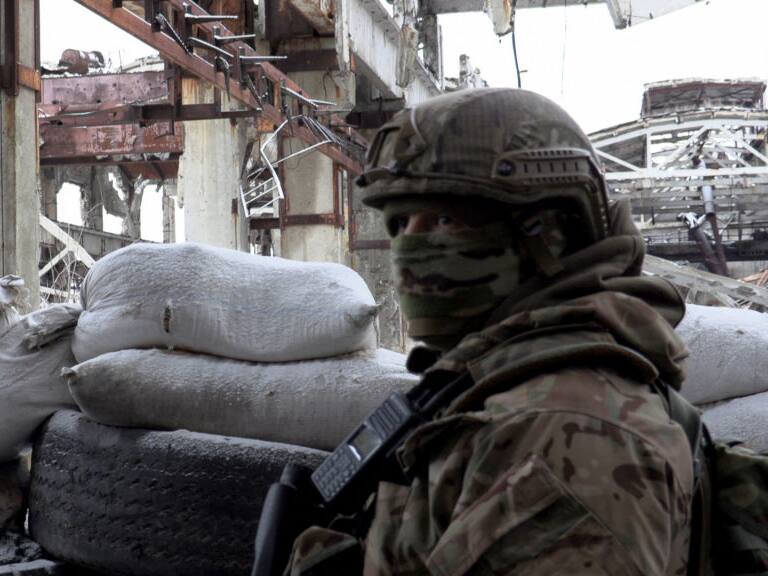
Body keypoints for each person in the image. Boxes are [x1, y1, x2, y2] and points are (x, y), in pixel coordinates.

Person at [285, 88, 694, 575]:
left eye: (443, 218)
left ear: (552, 232)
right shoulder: (488, 396)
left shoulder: (572, 432)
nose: (410, 247)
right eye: (399, 224)